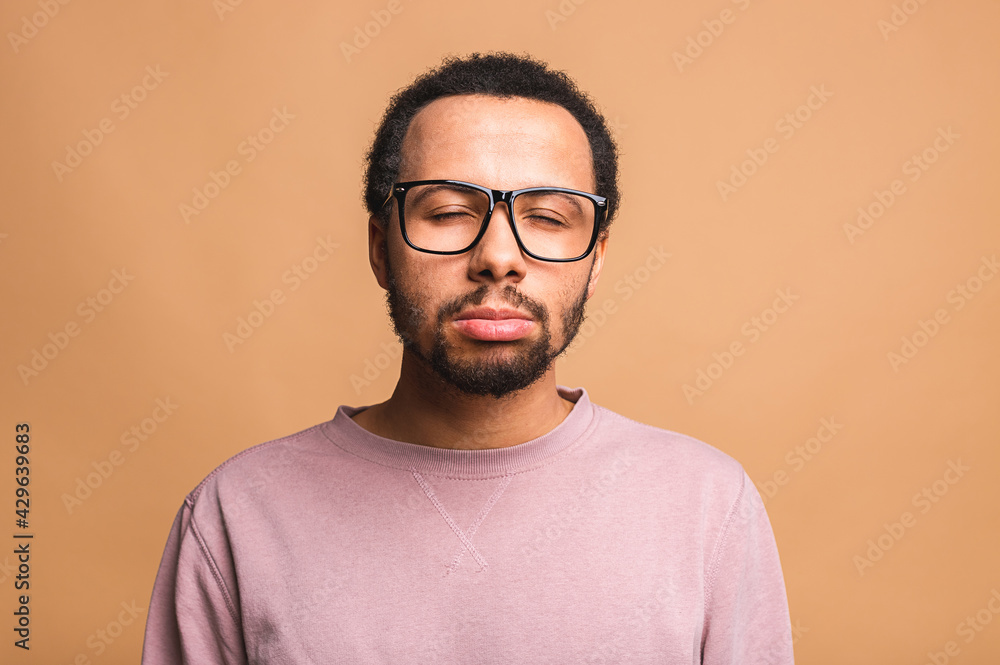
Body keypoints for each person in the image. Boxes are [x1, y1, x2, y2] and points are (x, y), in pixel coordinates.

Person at [141, 51, 795, 664]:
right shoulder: (238, 515)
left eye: (547, 216)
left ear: (595, 261)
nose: (498, 256)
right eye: (451, 211)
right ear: (380, 246)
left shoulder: (708, 507)